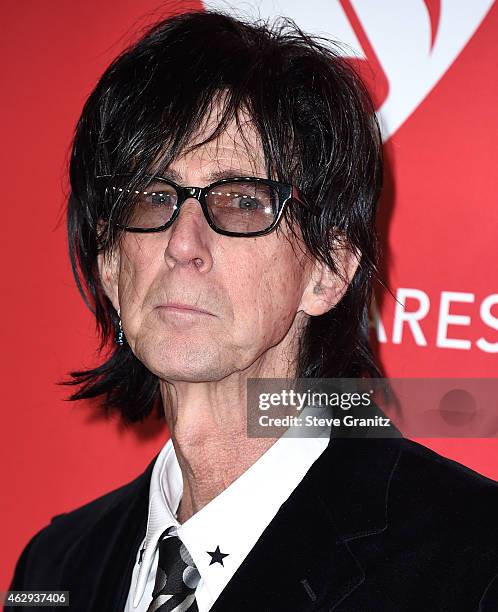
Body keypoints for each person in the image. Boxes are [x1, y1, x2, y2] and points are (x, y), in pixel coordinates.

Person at [7, 9, 498, 612]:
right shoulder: (54, 567)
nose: (183, 244)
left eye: (242, 201)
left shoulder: (472, 563)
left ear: (330, 269)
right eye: (154, 197)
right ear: (111, 263)